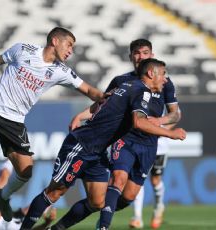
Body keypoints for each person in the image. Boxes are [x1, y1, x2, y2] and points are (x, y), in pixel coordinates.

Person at [0, 27, 105, 221]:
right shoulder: (23, 50)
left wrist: (110, 97)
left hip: (15, 121)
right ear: (54, 41)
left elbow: (88, 90)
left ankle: (3, 196)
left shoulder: (61, 71)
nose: (70, 51)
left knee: (26, 171)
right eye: (69, 45)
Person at [20, 58, 186, 230]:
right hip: (81, 145)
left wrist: (81, 115)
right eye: (163, 74)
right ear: (151, 73)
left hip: (97, 153)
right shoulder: (141, 91)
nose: (165, 79)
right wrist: (170, 133)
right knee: (54, 192)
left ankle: (57, 228)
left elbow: (103, 101)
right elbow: (139, 122)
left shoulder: (127, 86)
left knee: (98, 201)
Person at [57, 39, 181, 230]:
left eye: (145, 53)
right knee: (118, 179)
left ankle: (95, 209)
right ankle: (103, 226)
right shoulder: (121, 81)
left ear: (152, 56)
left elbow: (175, 114)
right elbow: (102, 105)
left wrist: (160, 121)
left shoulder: (164, 82)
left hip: (148, 144)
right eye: (137, 53)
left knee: (128, 196)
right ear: (131, 56)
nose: (141, 57)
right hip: (124, 139)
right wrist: (81, 116)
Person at [130, 135, 172, 229]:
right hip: (141, 145)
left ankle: (158, 208)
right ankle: (137, 217)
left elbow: (175, 120)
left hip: (160, 148)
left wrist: (162, 131)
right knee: (138, 178)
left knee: (155, 181)